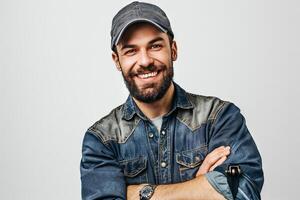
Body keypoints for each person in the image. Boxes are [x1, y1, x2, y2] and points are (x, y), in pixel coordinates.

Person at [80, 1, 264, 199]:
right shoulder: (102, 139)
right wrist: (200, 187)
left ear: (173, 49)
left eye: (155, 46)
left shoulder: (220, 118)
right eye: (131, 51)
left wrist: (138, 194)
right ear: (117, 60)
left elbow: (243, 193)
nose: (145, 61)